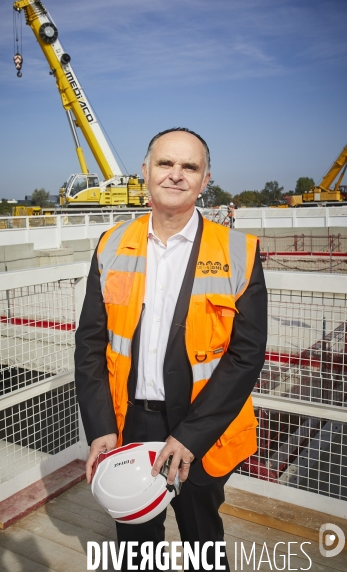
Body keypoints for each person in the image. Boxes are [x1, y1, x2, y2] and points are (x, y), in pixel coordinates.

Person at [75, 128, 267, 571]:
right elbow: (90, 344)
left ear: (205, 181)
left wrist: (192, 436)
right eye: (165, 163)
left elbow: (246, 356)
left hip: (203, 428)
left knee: (203, 541)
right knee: (136, 549)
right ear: (145, 171)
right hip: (132, 420)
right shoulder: (110, 246)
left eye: (189, 167)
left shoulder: (239, 251)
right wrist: (101, 426)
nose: (176, 175)